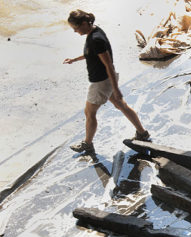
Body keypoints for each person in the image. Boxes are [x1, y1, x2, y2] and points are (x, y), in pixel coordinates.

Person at [64, 10, 150, 154]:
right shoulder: (94, 32)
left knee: (89, 113)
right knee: (121, 105)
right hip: (107, 81)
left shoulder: (96, 39)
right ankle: (143, 133)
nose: (75, 31)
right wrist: (74, 60)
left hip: (101, 83)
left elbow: (108, 64)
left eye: (76, 28)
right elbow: (91, 54)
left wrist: (116, 89)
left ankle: (88, 144)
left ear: (84, 24)